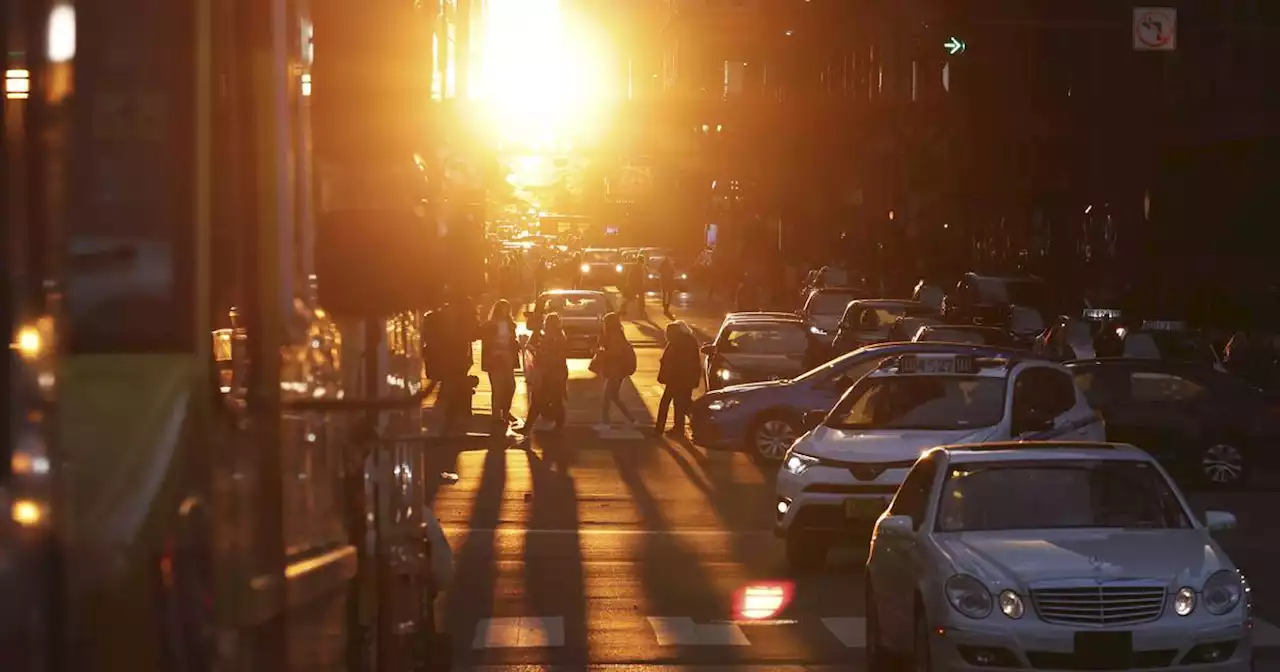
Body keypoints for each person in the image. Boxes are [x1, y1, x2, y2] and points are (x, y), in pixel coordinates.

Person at [518, 312, 569, 435]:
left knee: (540, 399)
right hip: (558, 372)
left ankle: (535, 426)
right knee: (553, 399)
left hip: (551, 372)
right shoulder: (558, 336)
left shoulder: (552, 337)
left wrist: (537, 353)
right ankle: (556, 425)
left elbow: (549, 355)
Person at [593, 312, 640, 430]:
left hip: (616, 370)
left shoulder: (614, 336)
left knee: (607, 397)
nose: (603, 324)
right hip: (617, 370)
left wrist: (601, 352)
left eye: (604, 322)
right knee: (614, 397)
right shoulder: (614, 334)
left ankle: (605, 423)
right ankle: (632, 420)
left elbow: (615, 353)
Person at [655, 321, 702, 435]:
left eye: (668, 333)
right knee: (681, 404)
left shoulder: (679, 342)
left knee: (669, 403)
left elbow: (676, 362)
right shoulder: (685, 341)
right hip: (683, 378)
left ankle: (662, 429)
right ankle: (681, 427)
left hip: (678, 378)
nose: (666, 335)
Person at [480, 299, 519, 428]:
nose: (505, 312)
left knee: (510, 386)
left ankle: (506, 411)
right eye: (503, 309)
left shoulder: (510, 324)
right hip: (495, 357)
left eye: (507, 309)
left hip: (507, 356)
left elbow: (512, 340)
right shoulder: (490, 325)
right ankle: (496, 416)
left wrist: (516, 345)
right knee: (497, 388)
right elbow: (486, 342)